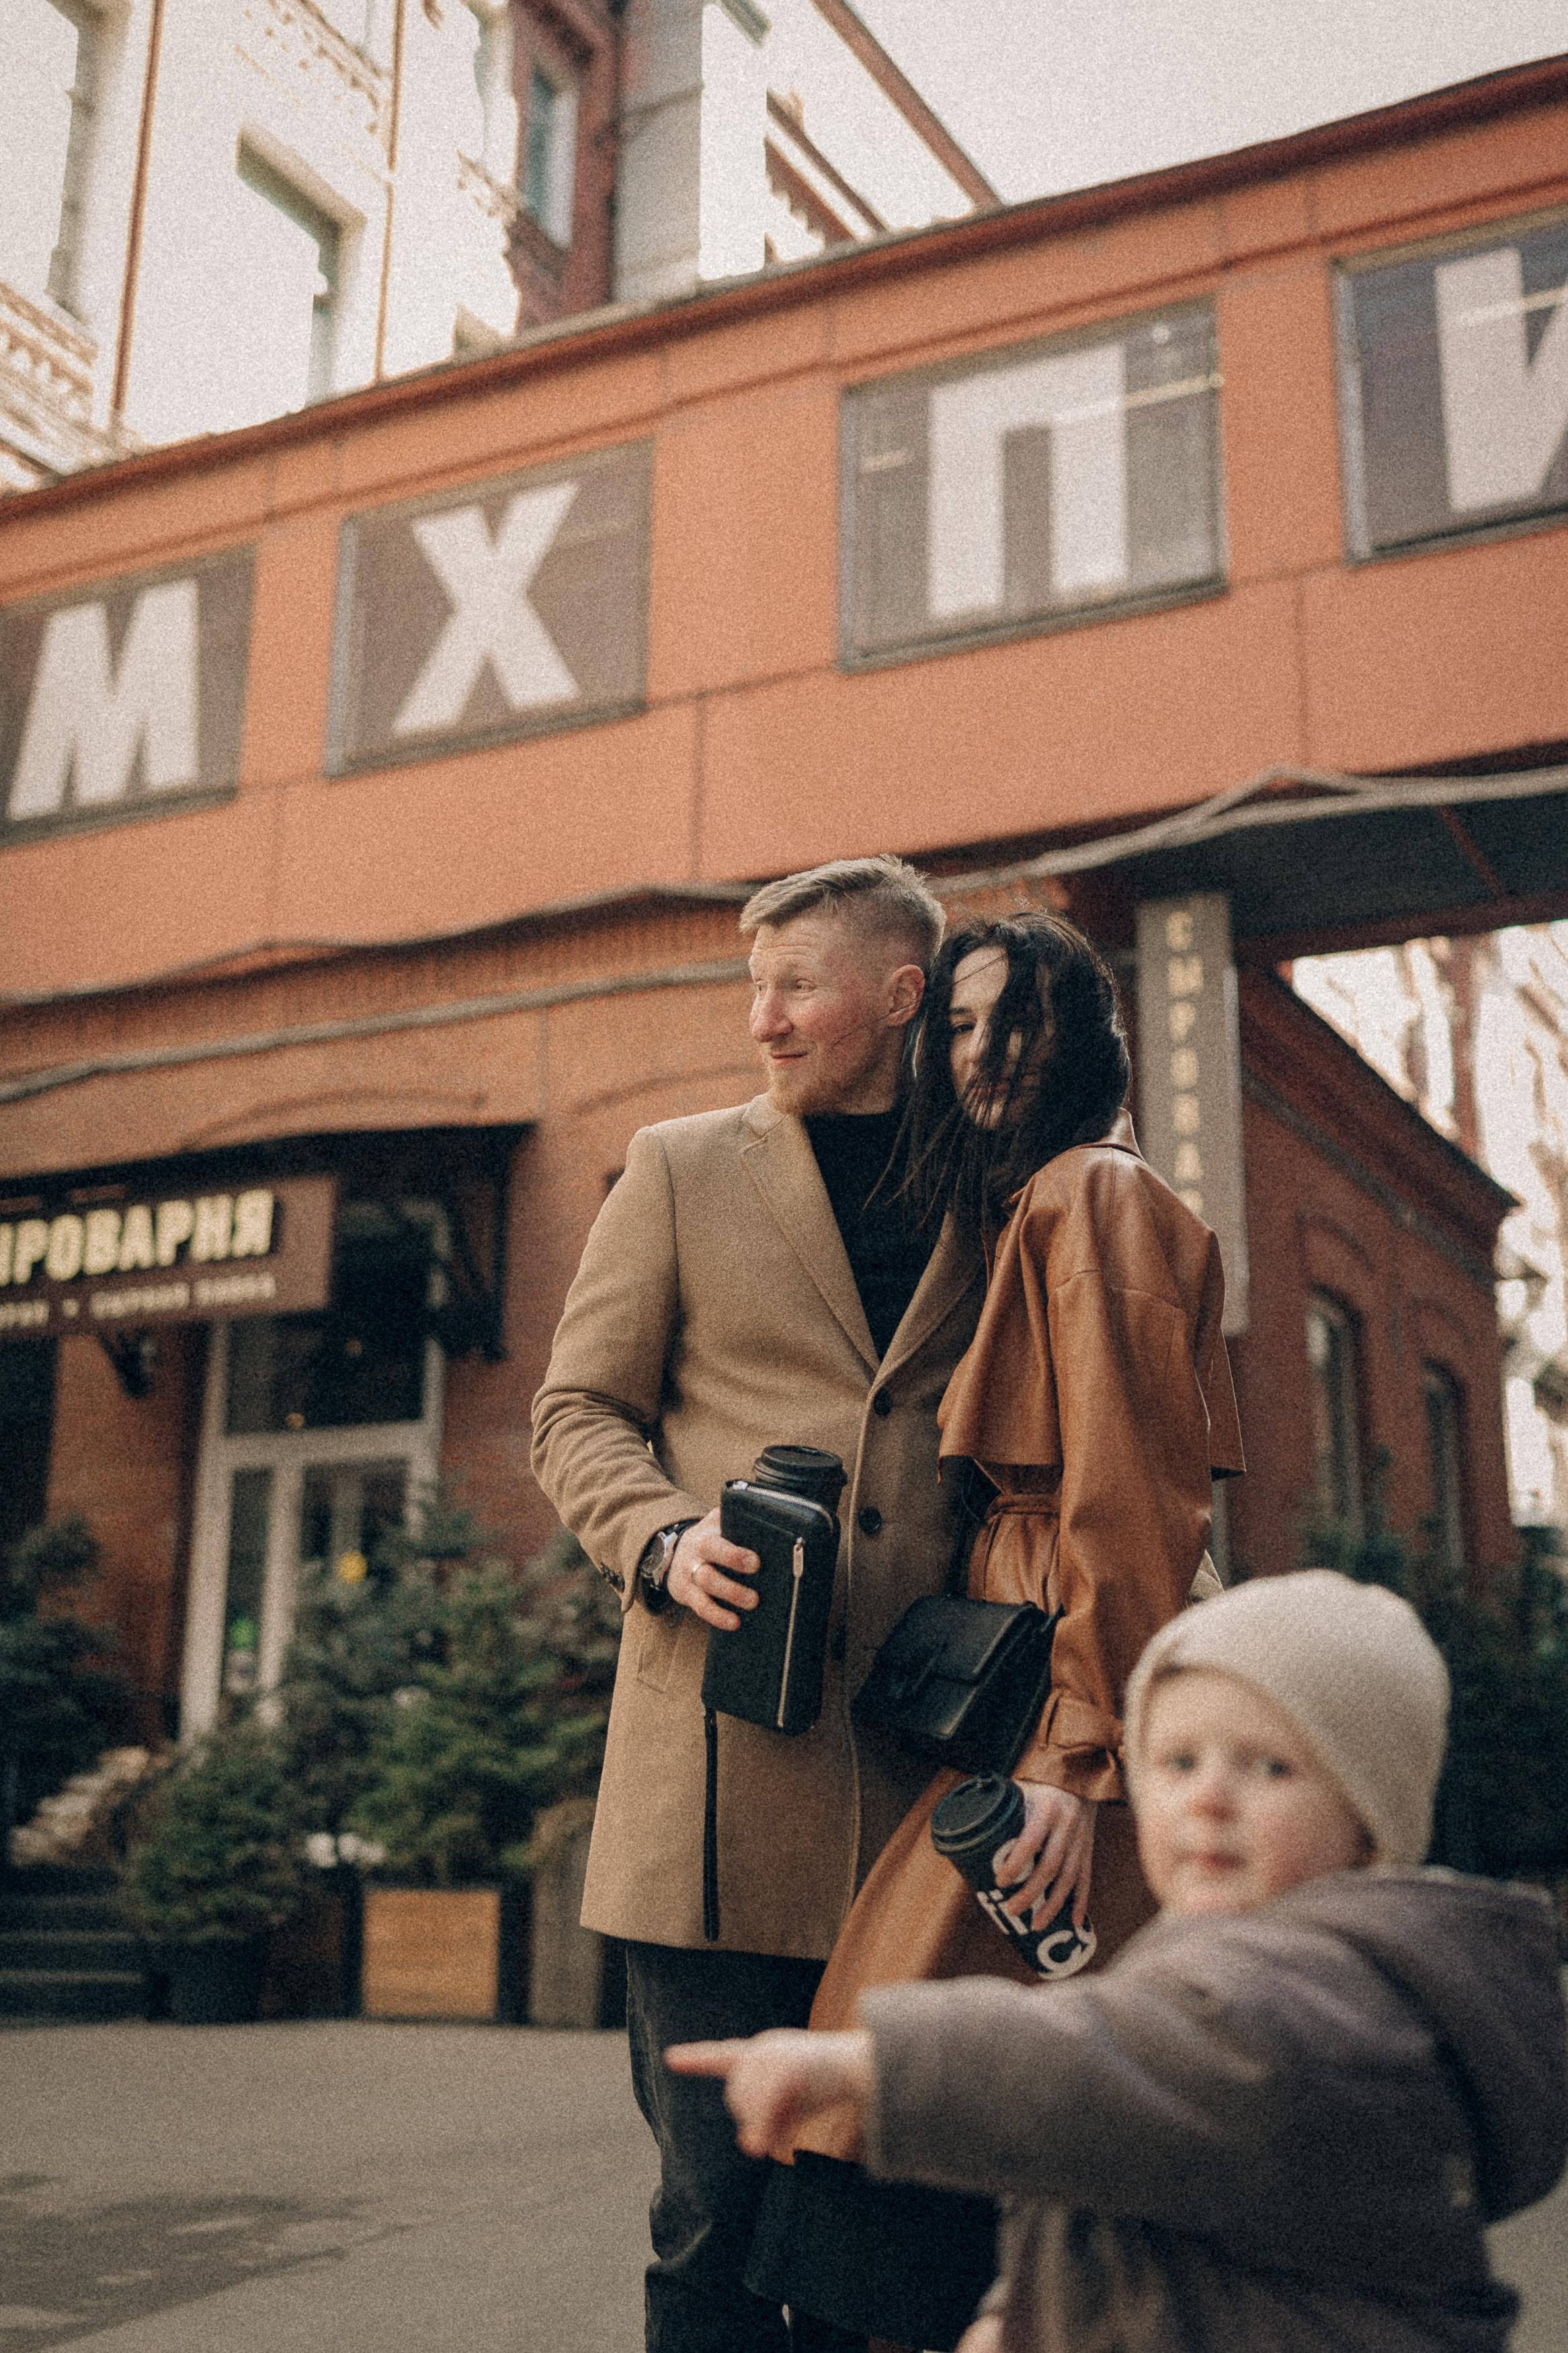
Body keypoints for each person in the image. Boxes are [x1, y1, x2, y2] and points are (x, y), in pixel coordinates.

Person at [743, 912, 1244, 2350]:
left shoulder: (1095, 1194)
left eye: (1013, 1022)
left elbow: (1136, 1506)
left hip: (1063, 1704)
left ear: (1082, 1036)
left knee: (912, 2088)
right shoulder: (1032, 1203)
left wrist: (1080, 1764)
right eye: (956, 1028)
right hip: (1028, 1681)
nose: (981, 1056)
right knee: (947, 2108)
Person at [671, 1568, 1568, 2353]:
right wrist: (1018, 2320)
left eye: (1268, 1769)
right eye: (1175, 1761)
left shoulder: (1329, 2001)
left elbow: (1097, 2064)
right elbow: (1114, 2170)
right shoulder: (1216, 1959)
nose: (1208, 1798)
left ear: (1370, 1816)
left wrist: (862, 2064)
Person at [530, 855, 987, 2353]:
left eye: (797, 985)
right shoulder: (677, 1165)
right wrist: (662, 1539)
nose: (763, 1020)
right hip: (716, 1782)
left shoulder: (997, 1186)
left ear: (899, 997)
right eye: (755, 986)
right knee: (713, 2217)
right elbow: (576, 1409)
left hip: (920, 1791)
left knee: (887, 2236)